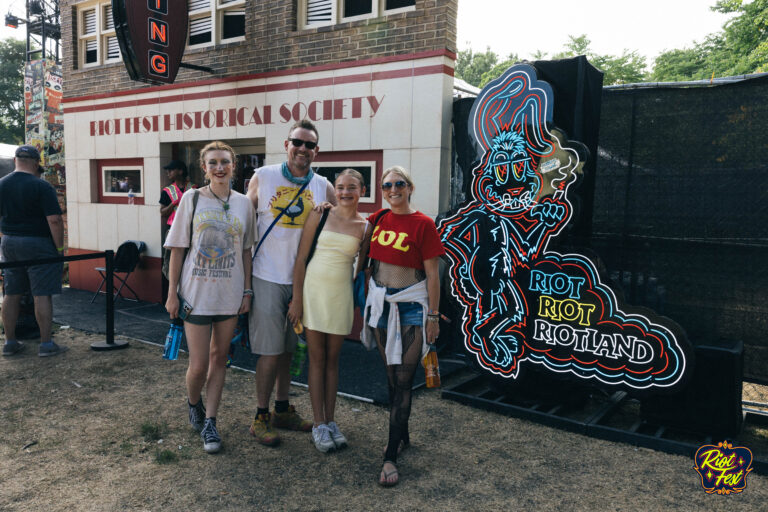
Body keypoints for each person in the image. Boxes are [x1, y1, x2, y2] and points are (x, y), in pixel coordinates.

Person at [246, 119, 336, 446]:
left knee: (287, 349)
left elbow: (341, 225)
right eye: (297, 142)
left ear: (316, 151)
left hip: (304, 281)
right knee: (270, 352)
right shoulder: (264, 177)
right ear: (287, 144)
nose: (302, 149)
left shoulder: (323, 186)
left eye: (309, 145)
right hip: (267, 276)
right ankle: (260, 416)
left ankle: (282, 408)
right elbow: (243, 224)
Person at [164, 141, 255, 454]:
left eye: (225, 162)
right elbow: (177, 248)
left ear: (233, 165)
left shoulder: (244, 204)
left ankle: (211, 421)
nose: (220, 168)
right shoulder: (191, 199)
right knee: (199, 364)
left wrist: (247, 290)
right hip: (196, 293)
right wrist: (172, 292)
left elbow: (246, 251)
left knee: (220, 359)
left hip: (229, 296)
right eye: (213, 162)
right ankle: (193, 403)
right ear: (204, 167)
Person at [359, 166, 445, 486]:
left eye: (399, 184)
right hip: (382, 307)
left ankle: (390, 456)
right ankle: (402, 435)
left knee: (404, 380)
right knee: (392, 380)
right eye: (386, 185)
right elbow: (350, 228)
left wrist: (433, 316)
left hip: (411, 308)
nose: (392, 189)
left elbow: (433, 275)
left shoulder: (424, 224)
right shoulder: (378, 219)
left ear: (410, 187)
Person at [288, 169, 368, 453]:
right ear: (335, 189)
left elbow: (363, 269)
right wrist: (296, 299)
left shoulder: (365, 226)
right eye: (340, 187)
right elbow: (300, 259)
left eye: (352, 187)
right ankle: (319, 424)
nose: (345, 192)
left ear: (362, 190)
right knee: (316, 359)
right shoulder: (319, 214)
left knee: (333, 361)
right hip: (312, 293)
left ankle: (331, 421)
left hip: (341, 296)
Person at [0, 145, 67, 357]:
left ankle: (10, 341)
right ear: (37, 162)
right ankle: (46, 344)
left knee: (11, 293)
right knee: (42, 294)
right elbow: (54, 220)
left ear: (14, 160)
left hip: (9, 241)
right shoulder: (41, 186)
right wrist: (59, 249)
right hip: (37, 243)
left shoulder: (1, 184)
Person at [160, 159, 194, 302]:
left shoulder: (194, 188)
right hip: (172, 231)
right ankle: (172, 296)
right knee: (171, 264)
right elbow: (162, 212)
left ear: (180, 171)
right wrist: (174, 203)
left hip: (191, 231)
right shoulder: (167, 191)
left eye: (171, 170)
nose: (168, 173)